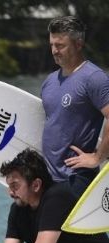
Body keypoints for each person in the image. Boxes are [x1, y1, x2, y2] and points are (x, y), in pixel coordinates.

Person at [41, 16, 109, 197]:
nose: (55, 50)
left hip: (75, 178)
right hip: (48, 177)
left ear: (78, 44)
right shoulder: (49, 81)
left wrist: (97, 158)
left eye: (60, 45)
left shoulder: (94, 78)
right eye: (52, 45)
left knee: (48, 227)